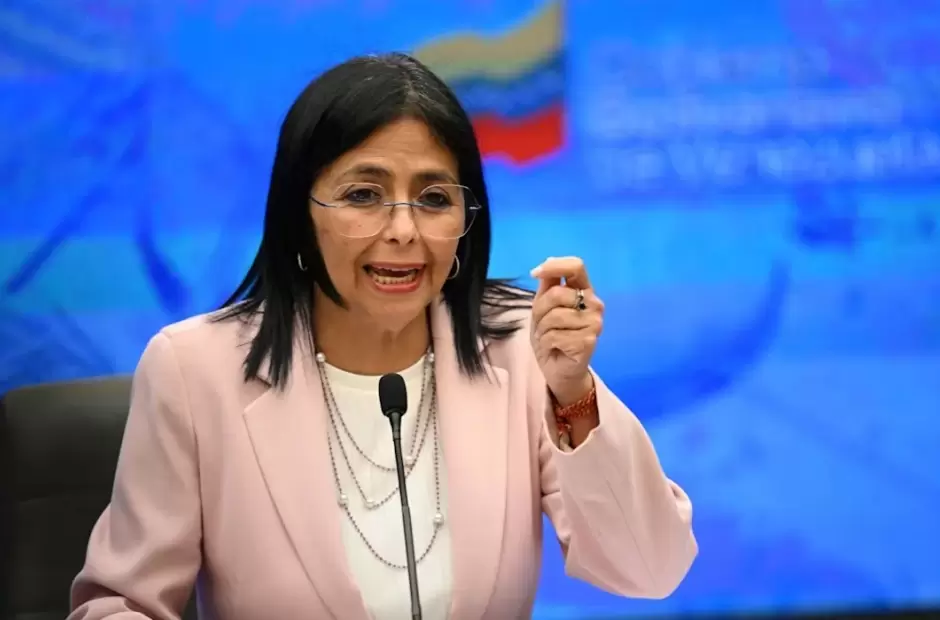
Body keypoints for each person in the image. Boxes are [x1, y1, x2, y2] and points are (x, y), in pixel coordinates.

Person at [69, 53, 697, 620]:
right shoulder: (195, 370)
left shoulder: (518, 347)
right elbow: (119, 605)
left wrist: (573, 393)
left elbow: (649, 568)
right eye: (364, 194)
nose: (402, 230)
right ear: (300, 215)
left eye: (434, 198)